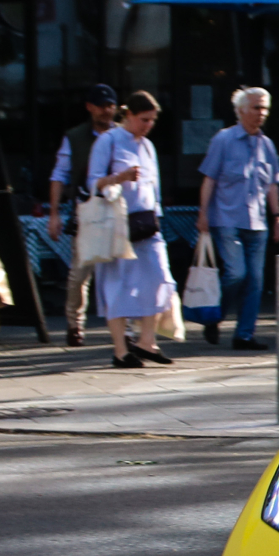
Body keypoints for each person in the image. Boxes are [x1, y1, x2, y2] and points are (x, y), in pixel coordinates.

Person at [90, 91, 176, 368]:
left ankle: (146, 341)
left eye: (151, 120)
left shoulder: (148, 146)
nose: (148, 125)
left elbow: (154, 186)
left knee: (159, 276)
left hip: (146, 220)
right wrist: (121, 177)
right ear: (128, 115)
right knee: (118, 283)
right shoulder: (109, 141)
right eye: (143, 119)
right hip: (116, 221)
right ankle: (119, 349)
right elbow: (93, 183)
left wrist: (157, 214)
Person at [197, 85, 279, 351]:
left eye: (264, 108)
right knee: (236, 273)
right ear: (241, 110)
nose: (261, 113)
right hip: (226, 218)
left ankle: (244, 335)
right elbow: (209, 179)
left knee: (256, 281)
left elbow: (271, 185)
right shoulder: (223, 140)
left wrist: (278, 216)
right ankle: (215, 315)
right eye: (256, 107)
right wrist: (202, 214)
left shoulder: (266, 144)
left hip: (258, 222)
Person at [45, 82, 119, 347]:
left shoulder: (123, 134)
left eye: (110, 106)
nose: (106, 111)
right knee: (80, 272)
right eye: (101, 106)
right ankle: (74, 324)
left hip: (118, 208)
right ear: (90, 108)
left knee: (121, 268)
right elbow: (59, 175)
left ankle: (127, 328)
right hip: (88, 208)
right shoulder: (75, 137)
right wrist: (54, 213)